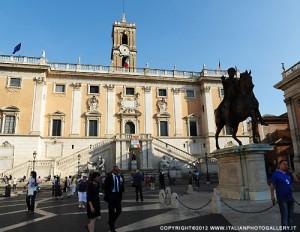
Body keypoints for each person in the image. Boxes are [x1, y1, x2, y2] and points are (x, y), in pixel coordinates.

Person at [270, 160, 299, 230]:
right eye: (284, 164)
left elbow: (297, 181)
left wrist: (292, 173)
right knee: (285, 217)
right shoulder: (276, 174)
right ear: (279, 165)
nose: (286, 165)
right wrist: (272, 197)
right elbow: (272, 186)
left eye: (287, 164)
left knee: (290, 217)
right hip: (282, 199)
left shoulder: (287, 174)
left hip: (290, 198)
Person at [104, 166, 124, 232]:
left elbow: (121, 185)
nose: (117, 172)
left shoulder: (120, 177)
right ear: (113, 170)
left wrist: (122, 183)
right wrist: (108, 195)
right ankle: (112, 227)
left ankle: (111, 221)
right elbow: (105, 187)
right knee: (111, 212)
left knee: (119, 210)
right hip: (111, 195)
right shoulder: (109, 177)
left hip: (118, 195)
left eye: (118, 171)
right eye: (116, 170)